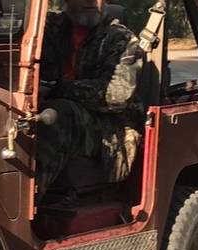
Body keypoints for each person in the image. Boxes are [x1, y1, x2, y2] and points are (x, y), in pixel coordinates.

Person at [35, 0, 146, 198]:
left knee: (57, 114)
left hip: (110, 130)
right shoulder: (46, 28)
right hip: (54, 109)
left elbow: (117, 96)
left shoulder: (121, 39)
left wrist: (56, 88)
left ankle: (29, 201)